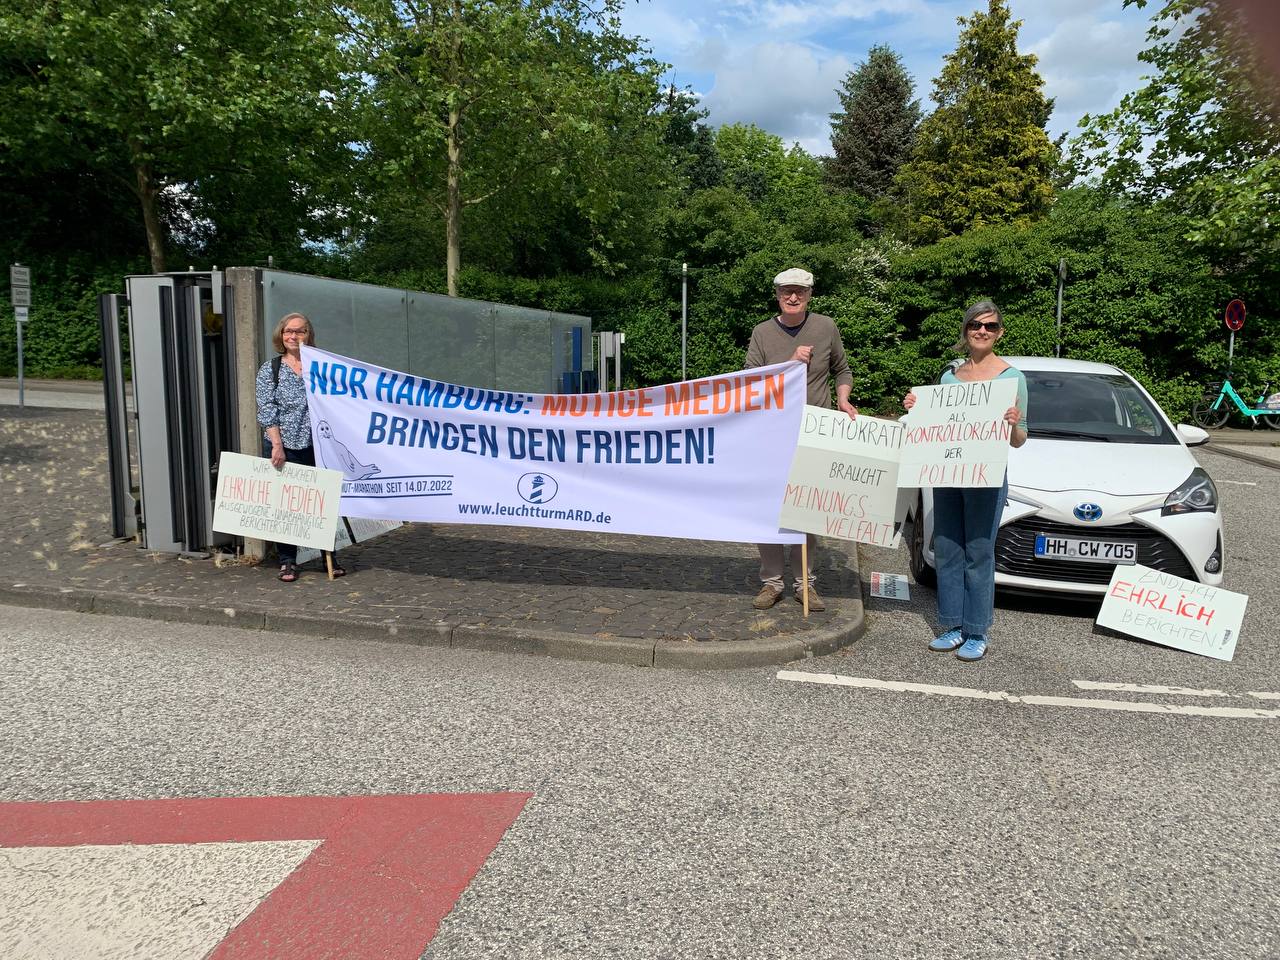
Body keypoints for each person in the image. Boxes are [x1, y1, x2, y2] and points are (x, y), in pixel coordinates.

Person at [903, 300, 1027, 661]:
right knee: (948, 549)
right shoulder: (949, 378)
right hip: (948, 474)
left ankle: (976, 630)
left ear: (1000, 332)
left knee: (979, 551)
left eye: (990, 326)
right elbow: (935, 426)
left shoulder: (1013, 379)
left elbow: (1019, 440)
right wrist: (917, 408)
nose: (982, 331)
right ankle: (953, 625)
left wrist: (1013, 423)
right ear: (966, 330)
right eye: (975, 325)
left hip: (986, 478)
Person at [745, 267, 857, 612]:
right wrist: (789, 363)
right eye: (786, 291)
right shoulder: (762, 332)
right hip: (772, 432)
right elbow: (751, 381)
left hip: (814, 432)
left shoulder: (825, 327)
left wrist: (843, 398)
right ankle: (772, 583)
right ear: (777, 295)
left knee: (807, 511)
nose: (793, 297)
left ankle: (805, 584)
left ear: (809, 295)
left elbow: (842, 368)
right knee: (770, 510)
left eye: (800, 291)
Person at [254, 312, 345, 583]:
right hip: (283, 445)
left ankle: (328, 556)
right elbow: (267, 409)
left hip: (318, 444)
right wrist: (277, 445)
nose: (293, 336)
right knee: (287, 504)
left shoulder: (321, 366)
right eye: (288, 331)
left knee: (321, 502)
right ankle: (287, 561)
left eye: (300, 331)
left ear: (309, 334)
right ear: (281, 335)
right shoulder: (270, 369)